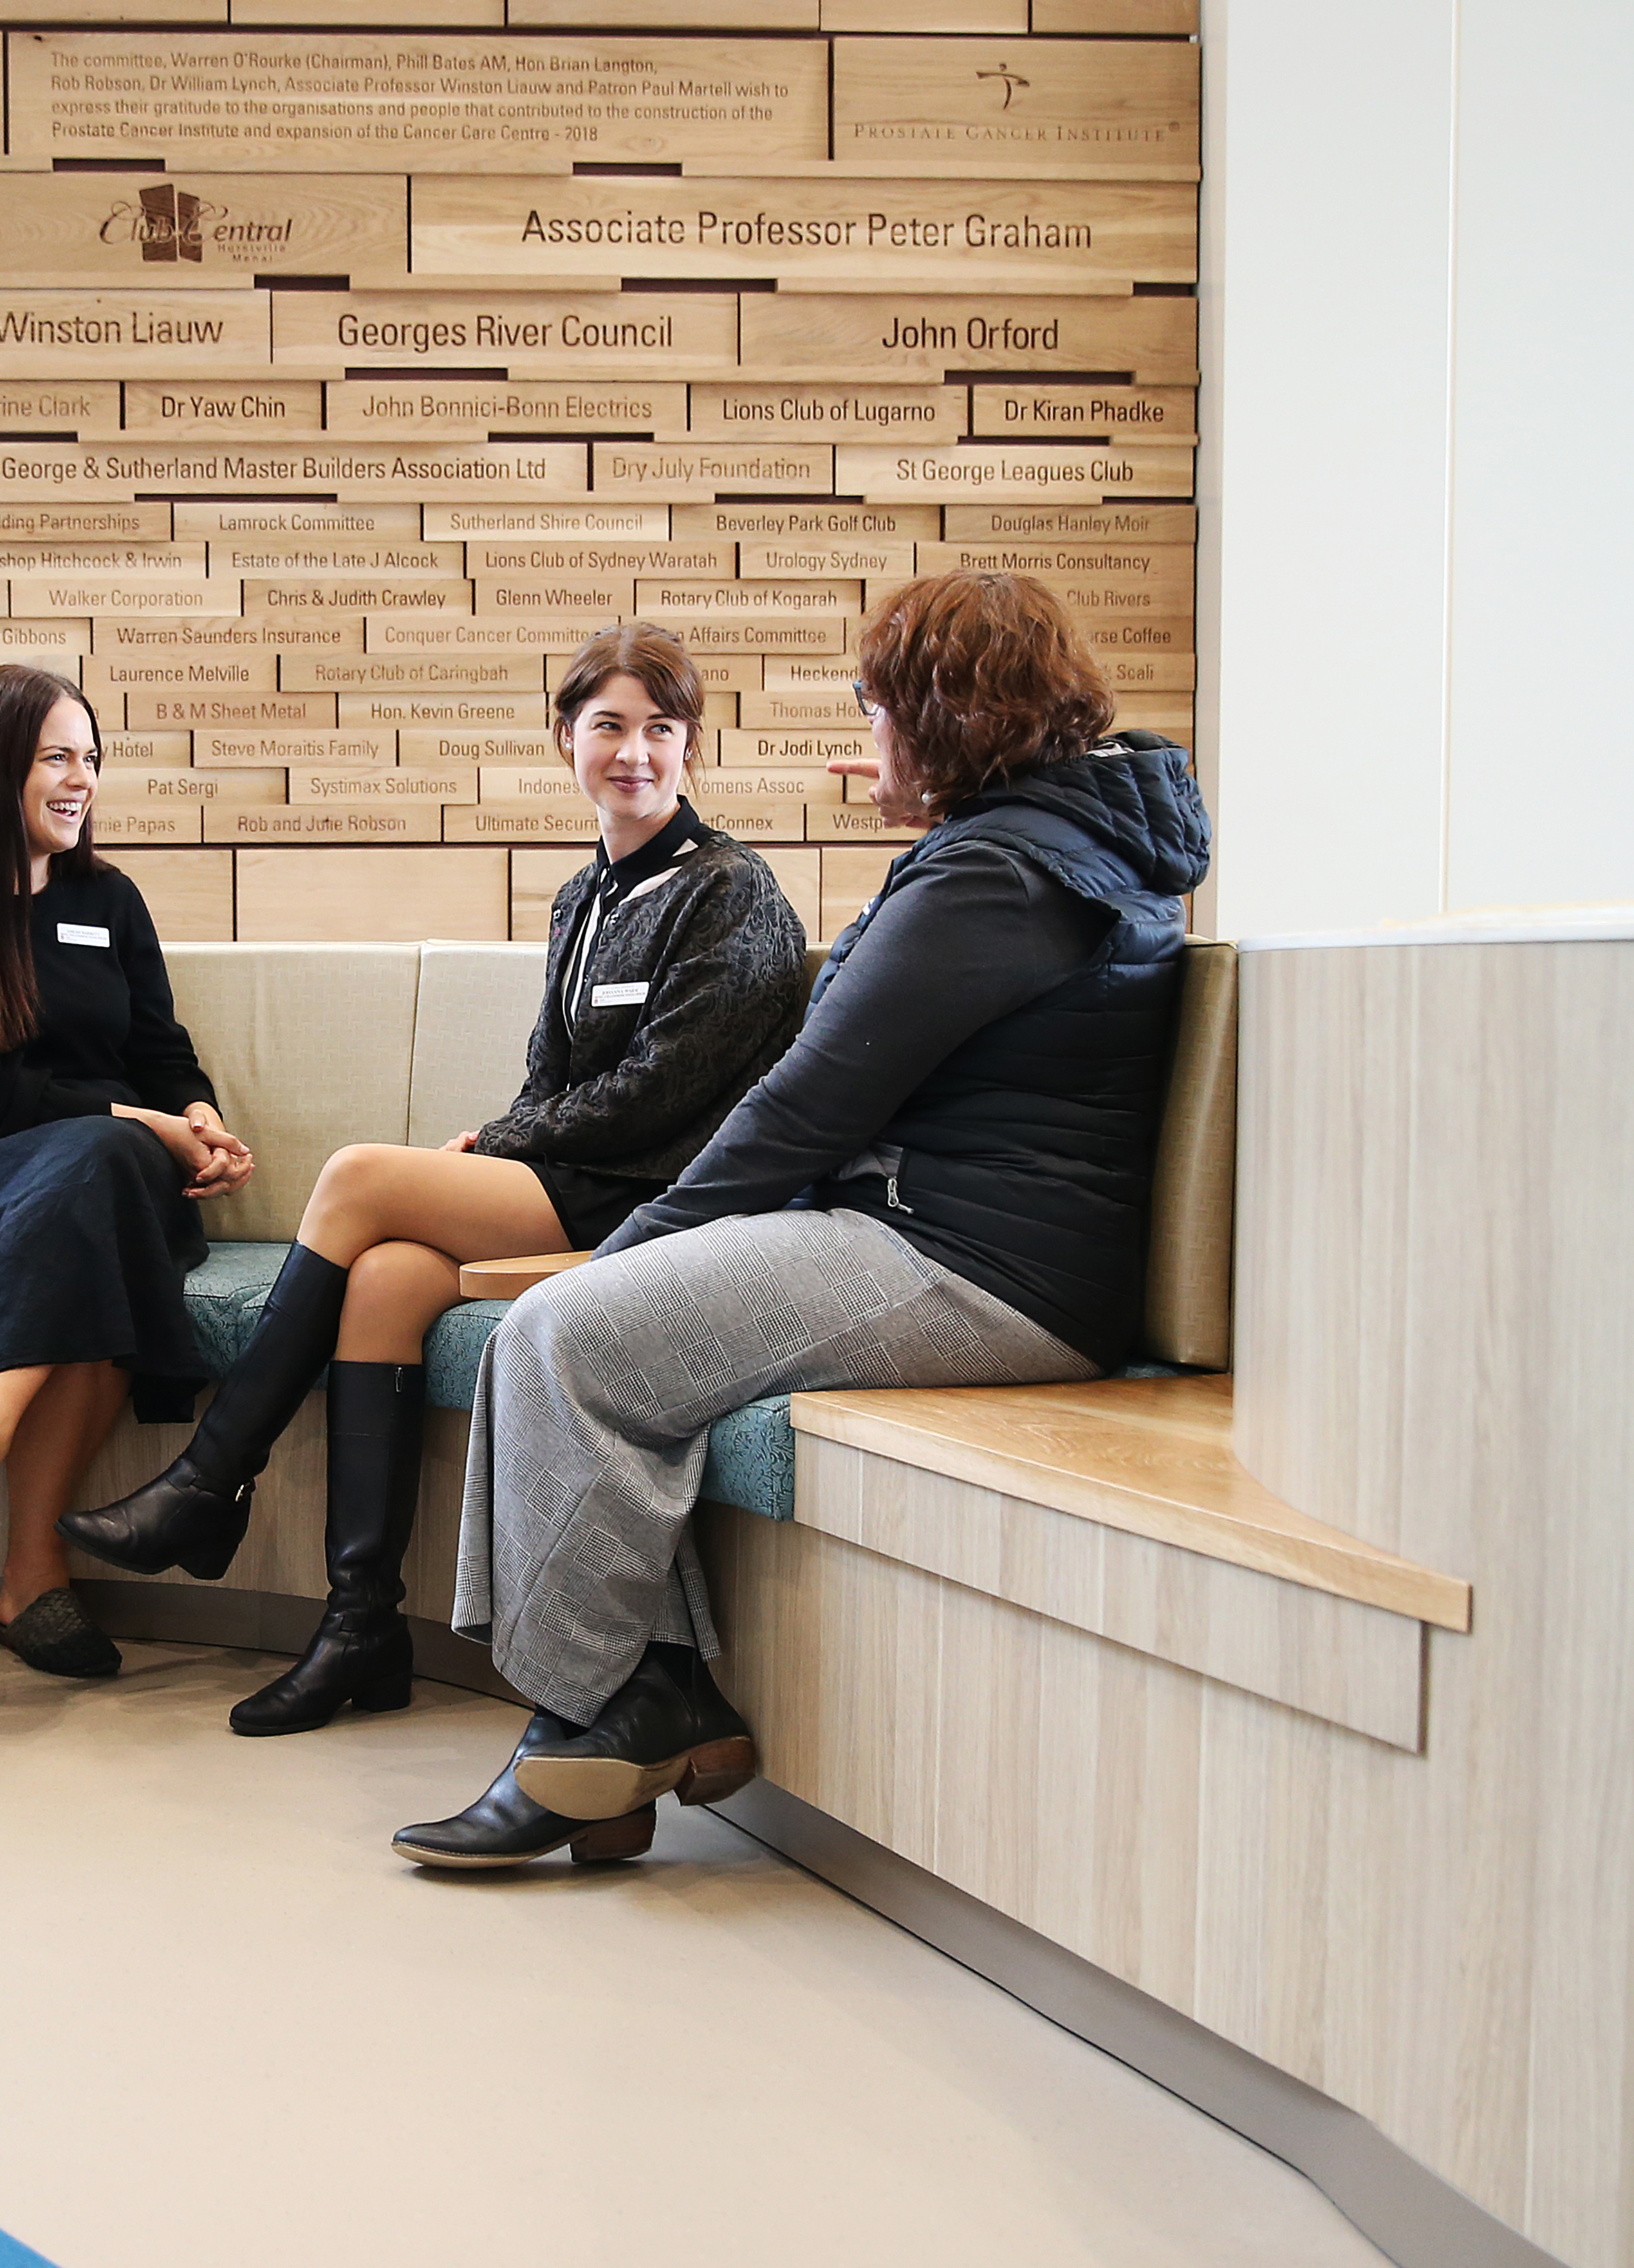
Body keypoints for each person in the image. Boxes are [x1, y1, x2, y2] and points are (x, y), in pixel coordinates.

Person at [398, 571, 1210, 1869]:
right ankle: (634, 1702)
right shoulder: (1043, 844)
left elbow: (805, 1106)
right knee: (569, 1329)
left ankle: (593, 1723)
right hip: (941, 1236)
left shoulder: (998, 873)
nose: (865, 737)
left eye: (879, 708)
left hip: (975, 1265)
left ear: (945, 718)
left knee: (558, 1336)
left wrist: (629, 1250)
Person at [62, 624, 810, 1735]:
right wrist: (498, 1135)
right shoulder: (583, 898)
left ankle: (207, 1480)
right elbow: (548, 1078)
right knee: (388, 1278)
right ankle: (359, 1627)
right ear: (565, 739)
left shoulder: (731, 895)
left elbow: (662, 1097)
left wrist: (509, 1145)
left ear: (692, 746)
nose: (634, 754)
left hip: (663, 1200)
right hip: (583, 1179)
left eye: (660, 730)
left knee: (359, 1178)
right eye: (607, 726)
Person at [0, 664, 256, 1680]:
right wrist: (137, 1122)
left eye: (90, 758)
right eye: (56, 758)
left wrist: (196, 1117)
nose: (80, 780)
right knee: (103, 1172)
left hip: (108, 1174)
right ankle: (30, 1570)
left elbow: (162, 1050)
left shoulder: (106, 898)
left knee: (101, 1176)